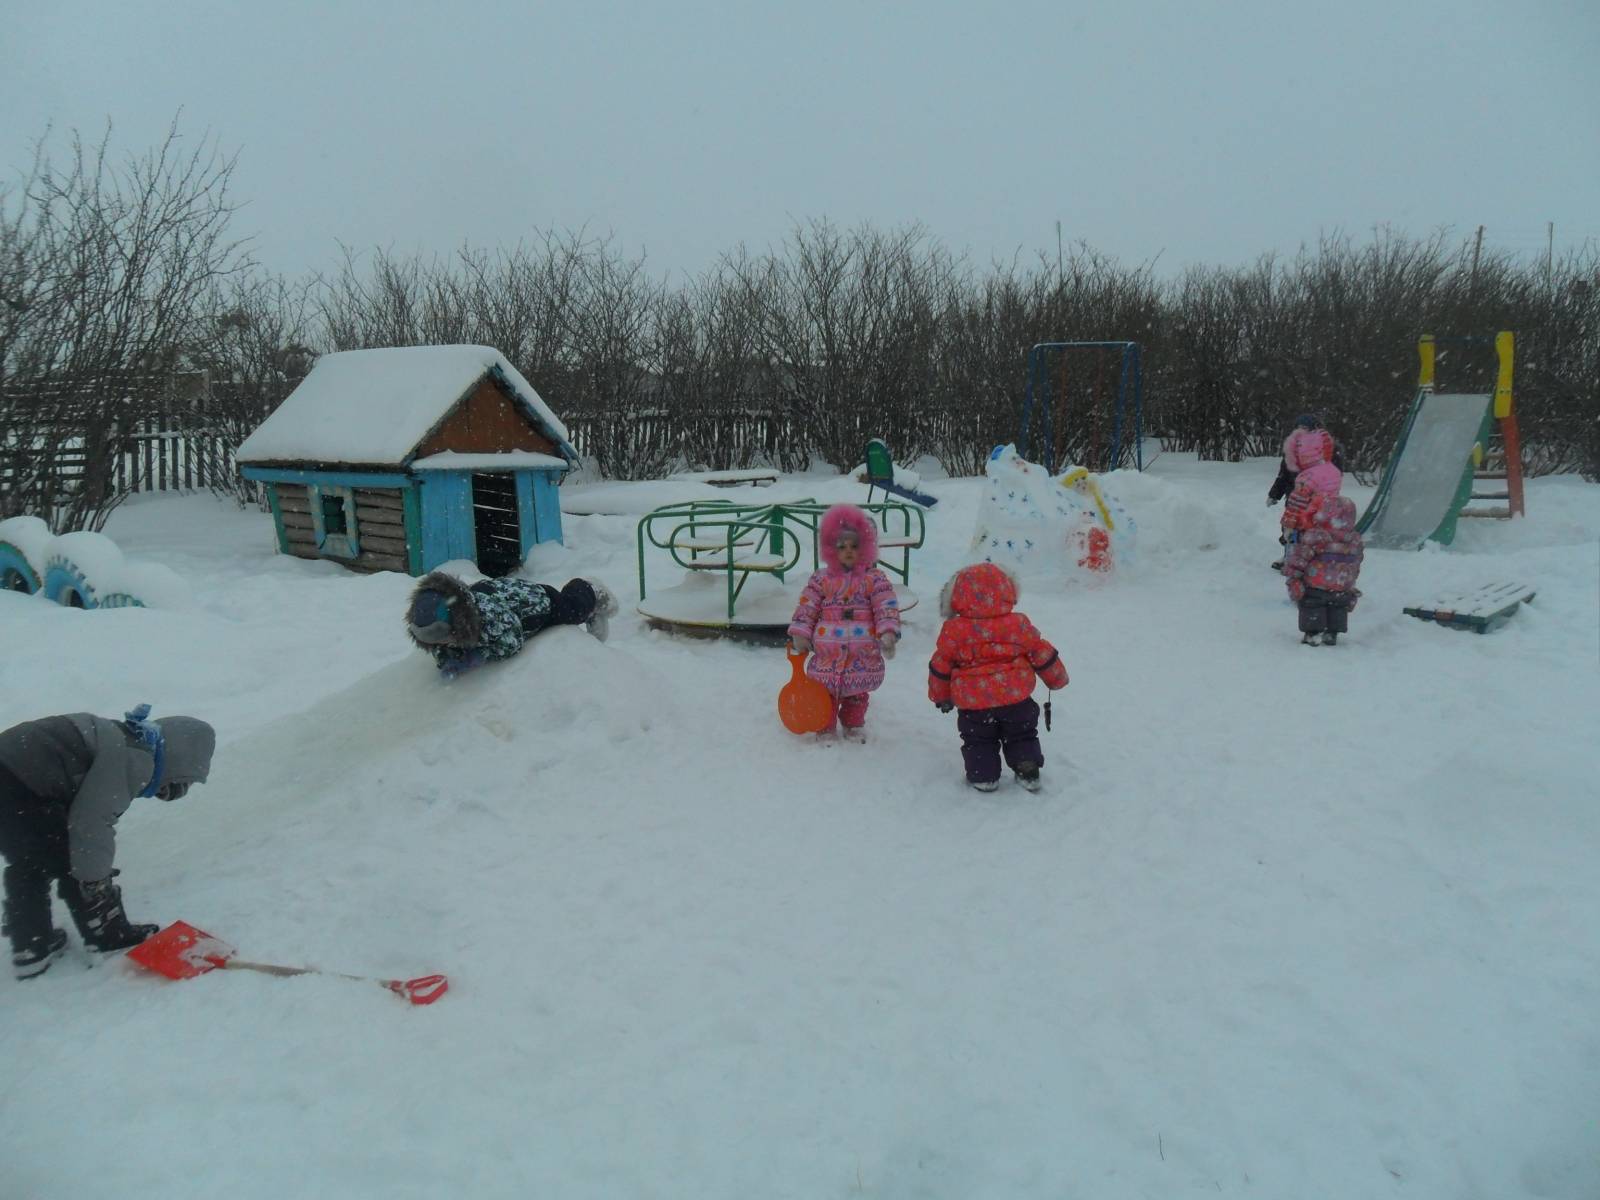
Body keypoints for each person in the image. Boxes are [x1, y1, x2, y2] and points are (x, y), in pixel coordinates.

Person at [0, 705, 216, 979]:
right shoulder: (134, 759)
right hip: (17, 783)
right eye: (178, 783)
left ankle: (31, 945)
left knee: (30, 858)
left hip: (12, 776)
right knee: (73, 857)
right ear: (180, 759)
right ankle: (107, 933)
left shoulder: (127, 739)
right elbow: (91, 826)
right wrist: (96, 884)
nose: (170, 792)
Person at [927, 563, 1068, 792]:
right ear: (1006, 590)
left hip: (975, 704)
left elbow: (941, 664)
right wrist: (1056, 678)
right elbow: (1039, 650)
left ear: (958, 596)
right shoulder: (1018, 624)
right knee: (1022, 734)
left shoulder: (954, 630)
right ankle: (1027, 766)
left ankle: (984, 776)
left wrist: (941, 696)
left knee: (979, 739)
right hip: (1016, 699)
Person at [787, 504, 901, 742]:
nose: (848, 551)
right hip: (827, 653)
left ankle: (853, 724)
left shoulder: (874, 579)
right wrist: (800, 632)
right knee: (825, 693)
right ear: (831, 548)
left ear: (865, 547)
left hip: (862, 653)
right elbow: (808, 605)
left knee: (857, 695)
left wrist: (888, 631)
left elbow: (885, 605)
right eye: (841, 546)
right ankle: (824, 725)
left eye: (854, 546)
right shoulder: (821, 579)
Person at [406, 571, 618, 676]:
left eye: (444, 639)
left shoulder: (487, 618)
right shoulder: (448, 619)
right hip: (503, 594)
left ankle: (590, 590)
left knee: (571, 611)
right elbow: (441, 645)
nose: (442, 645)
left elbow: (512, 641)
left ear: (456, 625)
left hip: (536, 603)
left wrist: (480, 654)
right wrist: (447, 658)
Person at [1283, 494, 1364, 645]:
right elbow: (1356, 562)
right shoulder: (1354, 539)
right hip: (1341, 586)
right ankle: (1332, 632)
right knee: (1338, 608)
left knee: (1313, 605)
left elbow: (1301, 557)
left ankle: (1312, 633)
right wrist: (1351, 581)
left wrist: (1294, 576)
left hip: (1316, 584)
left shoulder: (1317, 535)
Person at [1267, 414, 1345, 505]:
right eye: (1298, 428)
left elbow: (1334, 477)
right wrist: (1274, 495)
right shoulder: (1292, 449)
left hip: (1320, 501)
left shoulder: (1328, 449)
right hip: (1294, 500)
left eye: (1305, 428)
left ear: (1314, 430)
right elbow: (1284, 475)